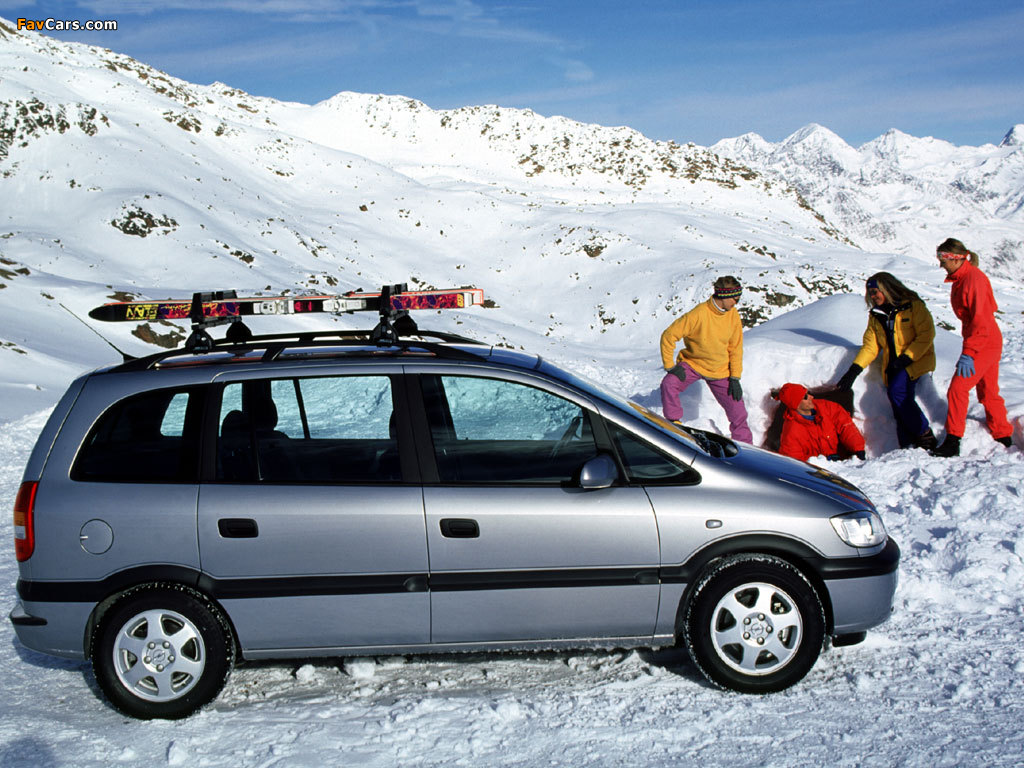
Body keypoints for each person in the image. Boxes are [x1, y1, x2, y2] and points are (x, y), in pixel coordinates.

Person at [834, 272, 937, 450]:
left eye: (875, 292)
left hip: (916, 360)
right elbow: (870, 347)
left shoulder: (913, 307)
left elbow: (926, 335)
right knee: (897, 401)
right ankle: (906, 444)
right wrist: (854, 370)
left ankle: (924, 434)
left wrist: (907, 358)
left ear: (887, 289)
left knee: (898, 392)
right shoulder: (876, 315)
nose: (873, 296)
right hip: (893, 364)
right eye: (870, 293)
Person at [931, 238, 1013, 457]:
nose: (941, 265)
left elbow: (981, 321)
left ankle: (953, 440)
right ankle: (1003, 434)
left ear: (956, 258)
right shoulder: (962, 279)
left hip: (983, 340)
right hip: (983, 338)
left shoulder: (973, 280)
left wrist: (969, 353)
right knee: (988, 390)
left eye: (943, 260)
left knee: (958, 389)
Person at [659, 275, 752, 443]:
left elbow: (735, 347)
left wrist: (735, 377)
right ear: (723, 296)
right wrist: (670, 366)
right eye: (735, 298)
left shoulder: (733, 315)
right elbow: (669, 335)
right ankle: (674, 424)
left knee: (738, 412)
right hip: (693, 364)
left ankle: (746, 447)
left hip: (720, 370)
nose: (737, 302)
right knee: (669, 384)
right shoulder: (699, 314)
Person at [777, 383, 866, 462]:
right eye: (805, 397)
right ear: (796, 404)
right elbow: (795, 464)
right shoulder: (791, 433)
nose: (811, 397)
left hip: (846, 462)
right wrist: (823, 461)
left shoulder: (827, 407)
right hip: (821, 470)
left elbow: (846, 426)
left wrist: (858, 449)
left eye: (808, 393)